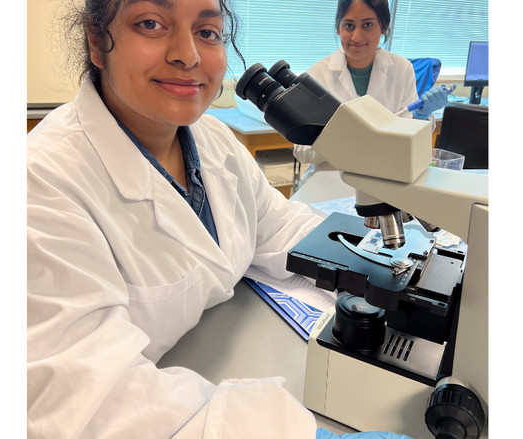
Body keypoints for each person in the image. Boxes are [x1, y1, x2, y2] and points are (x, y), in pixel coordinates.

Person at [27, 0, 413, 438]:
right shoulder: (41, 182)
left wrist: (390, 271)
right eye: (151, 24)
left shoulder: (212, 139)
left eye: (207, 32)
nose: (188, 55)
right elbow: (86, 401)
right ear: (98, 43)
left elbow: (280, 227)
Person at [293, 0, 451, 186]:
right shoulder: (317, 75)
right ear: (338, 28)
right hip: (329, 181)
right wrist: (345, 137)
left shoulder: (401, 69)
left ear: (383, 27)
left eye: (367, 25)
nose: (356, 37)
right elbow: (301, 151)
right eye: (349, 25)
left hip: (385, 179)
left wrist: (421, 118)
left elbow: (411, 140)